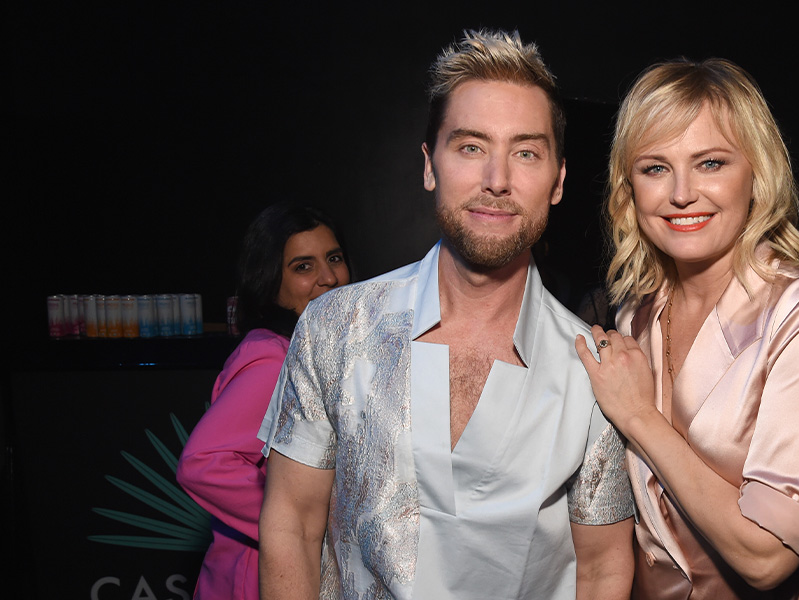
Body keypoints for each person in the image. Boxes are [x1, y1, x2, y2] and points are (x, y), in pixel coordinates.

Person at [256, 30, 634, 600]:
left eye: (526, 152)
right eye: (471, 147)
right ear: (430, 165)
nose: (497, 180)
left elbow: (604, 569)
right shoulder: (336, 327)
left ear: (557, 181)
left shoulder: (593, 369)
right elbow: (291, 522)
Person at [575, 58, 799, 599]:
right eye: (655, 168)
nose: (682, 193)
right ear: (629, 188)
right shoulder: (633, 316)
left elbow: (768, 556)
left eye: (710, 163)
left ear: (757, 174)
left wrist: (639, 415)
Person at [176, 203, 351, 600]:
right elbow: (203, 464)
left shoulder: (311, 350)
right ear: (271, 282)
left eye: (334, 258)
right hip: (257, 578)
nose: (329, 277)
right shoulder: (274, 358)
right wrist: (298, 525)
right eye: (303, 267)